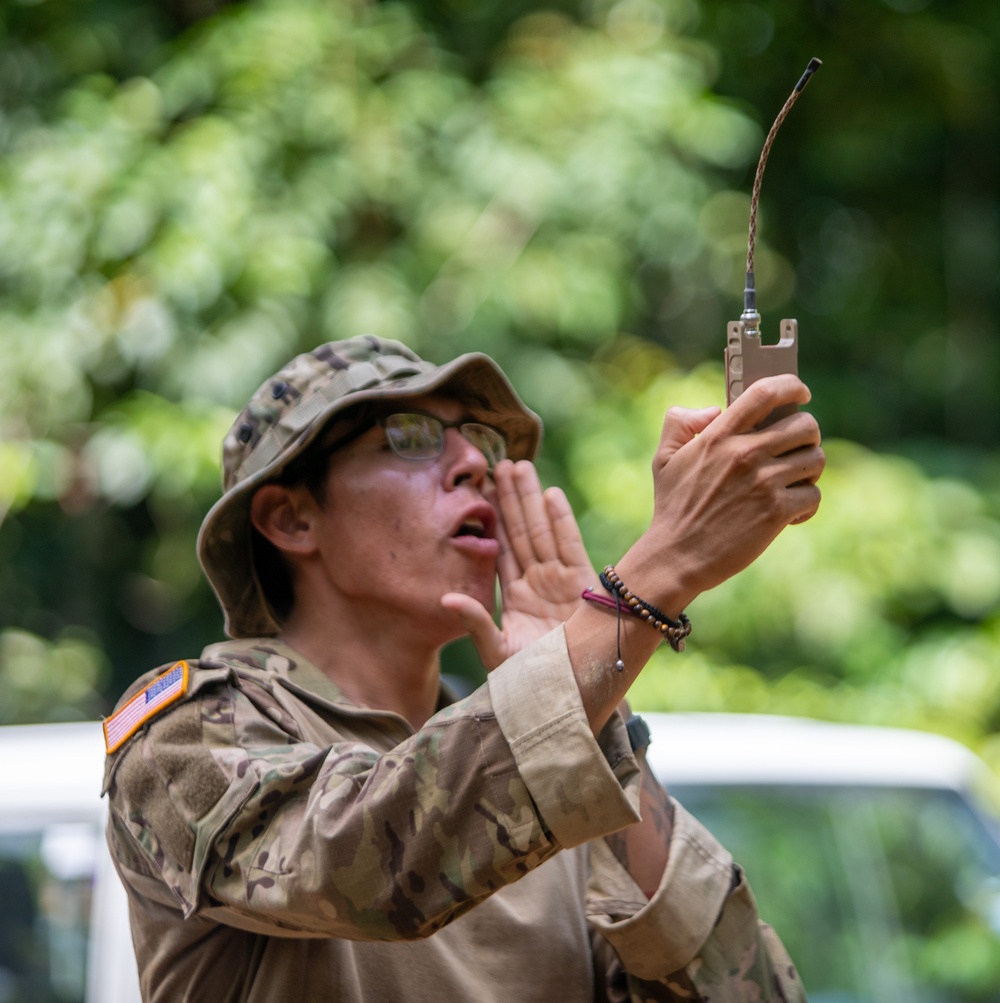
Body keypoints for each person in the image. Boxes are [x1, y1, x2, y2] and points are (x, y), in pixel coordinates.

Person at [102, 335, 824, 1002]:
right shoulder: (183, 737)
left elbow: (744, 989)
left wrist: (595, 705)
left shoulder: (539, 766)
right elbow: (372, 864)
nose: (475, 463)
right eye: (410, 437)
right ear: (293, 519)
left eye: (478, 440)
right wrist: (649, 582)